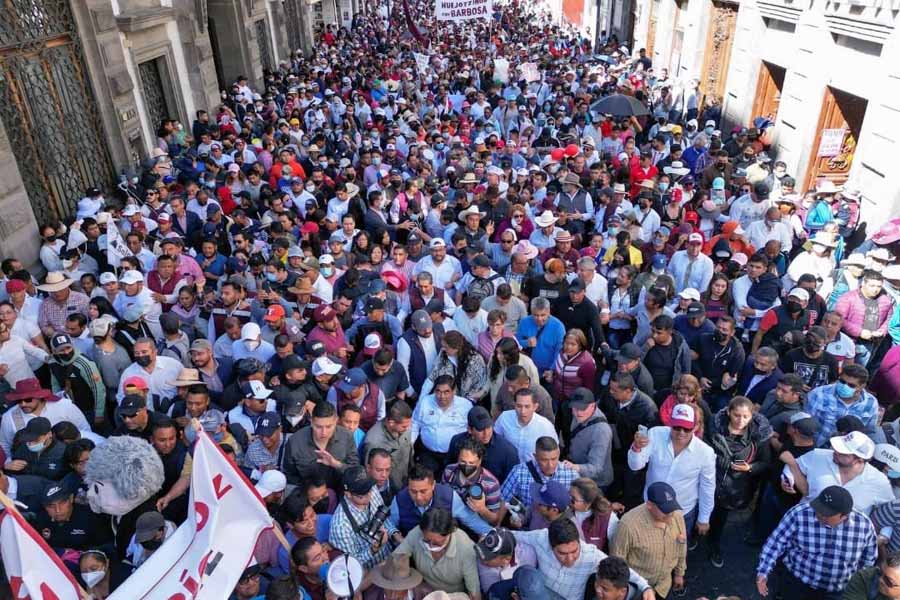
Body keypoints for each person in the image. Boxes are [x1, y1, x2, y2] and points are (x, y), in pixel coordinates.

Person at [756, 485, 876, 599]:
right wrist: (763, 572)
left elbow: (868, 561)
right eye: (818, 508)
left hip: (837, 592)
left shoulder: (864, 526)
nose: (819, 515)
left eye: (826, 514)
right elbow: (776, 543)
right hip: (797, 584)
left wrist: (857, 588)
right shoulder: (799, 514)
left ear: (844, 516)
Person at [508, 518, 654, 600]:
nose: (570, 558)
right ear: (550, 545)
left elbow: (622, 571)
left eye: (574, 551)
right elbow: (510, 535)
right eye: (562, 553)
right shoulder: (540, 538)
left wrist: (645, 587)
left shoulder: (591, 555)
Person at [628, 403, 716, 537]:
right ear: (670, 423)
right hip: (650, 507)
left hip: (681, 513)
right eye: (676, 427)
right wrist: (636, 448)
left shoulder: (706, 453)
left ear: (696, 427)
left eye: (687, 429)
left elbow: (707, 487)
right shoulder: (655, 434)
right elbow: (635, 465)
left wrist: (704, 518)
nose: (681, 432)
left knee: (676, 551)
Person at [706, 396, 773, 567]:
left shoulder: (758, 437)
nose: (740, 420)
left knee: (720, 520)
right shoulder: (715, 429)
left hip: (736, 488)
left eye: (745, 417)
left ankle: (714, 545)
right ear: (728, 412)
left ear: (752, 416)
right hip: (711, 482)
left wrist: (749, 468)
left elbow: (765, 463)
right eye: (736, 415)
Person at [779, 430, 893, 515]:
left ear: (859, 459)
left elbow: (889, 511)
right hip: (805, 521)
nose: (836, 451)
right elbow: (793, 466)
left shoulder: (879, 482)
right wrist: (787, 480)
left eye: (843, 452)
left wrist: (884, 534)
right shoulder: (818, 455)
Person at [611, 481, 687, 598]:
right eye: (665, 510)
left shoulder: (676, 515)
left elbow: (681, 545)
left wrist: (679, 573)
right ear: (649, 505)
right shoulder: (628, 525)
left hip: (663, 586)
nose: (671, 515)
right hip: (638, 589)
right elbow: (617, 561)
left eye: (671, 508)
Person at [391, 507, 482, 599]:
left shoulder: (466, 549)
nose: (430, 546)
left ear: (449, 533)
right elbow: (397, 557)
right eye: (426, 541)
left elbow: (474, 592)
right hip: (424, 592)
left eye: (436, 543)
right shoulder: (416, 533)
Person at [389, 464, 490, 537]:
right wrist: (397, 536)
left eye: (423, 491)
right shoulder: (399, 500)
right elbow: (389, 524)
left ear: (433, 485)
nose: (418, 497)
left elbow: (471, 520)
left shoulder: (449, 496)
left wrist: (494, 534)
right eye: (413, 491)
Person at [283, 400, 359, 490]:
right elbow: (290, 476)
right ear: (311, 421)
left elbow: (355, 472)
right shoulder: (294, 442)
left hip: (340, 491)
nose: (324, 432)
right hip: (307, 494)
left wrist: (336, 464)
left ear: (336, 421)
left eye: (328, 426)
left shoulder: (347, 437)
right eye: (318, 427)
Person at [805, 363, 878, 445]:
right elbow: (806, 425)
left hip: (846, 453)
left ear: (862, 386)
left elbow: (870, 432)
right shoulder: (819, 394)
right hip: (816, 447)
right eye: (842, 381)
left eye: (851, 385)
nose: (844, 386)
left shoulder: (870, 404)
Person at [563, 388, 614, 488]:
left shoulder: (601, 431)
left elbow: (596, 468)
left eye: (582, 409)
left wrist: (574, 467)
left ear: (593, 405)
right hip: (580, 476)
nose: (578, 413)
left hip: (596, 484)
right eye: (575, 408)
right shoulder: (580, 415)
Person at [494, 388, 558, 464]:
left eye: (527, 406)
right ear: (514, 405)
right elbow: (494, 442)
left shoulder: (545, 426)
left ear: (535, 407)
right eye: (519, 406)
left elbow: (555, 451)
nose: (523, 411)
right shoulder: (504, 418)